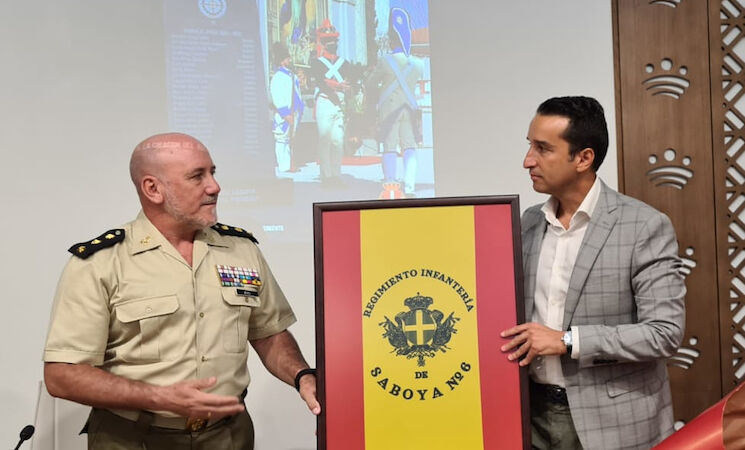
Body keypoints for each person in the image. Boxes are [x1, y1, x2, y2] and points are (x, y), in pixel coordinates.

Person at [43, 133, 320, 449]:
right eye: (197, 176)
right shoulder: (101, 262)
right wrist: (158, 396)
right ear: (153, 189)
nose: (214, 186)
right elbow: (62, 375)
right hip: (133, 438)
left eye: (212, 172)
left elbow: (268, 333)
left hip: (228, 435)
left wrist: (302, 375)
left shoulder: (241, 250)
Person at [500, 96, 685, 449]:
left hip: (612, 424)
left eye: (543, 149)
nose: (528, 160)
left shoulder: (643, 226)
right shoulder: (528, 222)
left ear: (584, 158)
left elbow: (664, 333)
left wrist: (568, 341)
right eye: (529, 146)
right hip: (531, 416)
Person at [368, 7, 423, 198]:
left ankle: (390, 184)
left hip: (389, 110)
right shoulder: (418, 63)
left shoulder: (385, 61)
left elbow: (370, 84)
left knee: (389, 146)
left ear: (391, 40)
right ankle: (410, 187)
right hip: (409, 109)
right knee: (410, 147)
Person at [311, 18, 352, 186]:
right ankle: (326, 176)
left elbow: (350, 82)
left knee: (338, 141)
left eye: (334, 40)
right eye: (328, 40)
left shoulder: (345, 63)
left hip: (339, 104)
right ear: (323, 42)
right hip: (325, 102)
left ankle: (336, 174)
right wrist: (338, 86)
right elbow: (321, 81)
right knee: (325, 140)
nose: (332, 43)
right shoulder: (316, 63)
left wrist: (349, 90)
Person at [270, 41, 304, 174]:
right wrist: (285, 113)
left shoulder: (291, 75)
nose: (289, 60)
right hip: (284, 114)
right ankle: (284, 166)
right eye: (287, 58)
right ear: (282, 61)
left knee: (291, 139)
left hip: (294, 112)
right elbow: (277, 97)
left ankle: (291, 163)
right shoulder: (278, 77)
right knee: (282, 139)